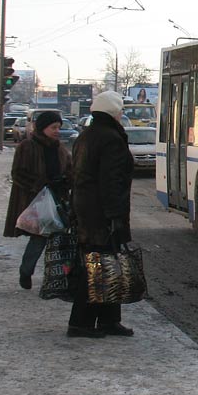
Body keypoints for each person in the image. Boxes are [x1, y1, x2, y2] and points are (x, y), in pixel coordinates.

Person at [67, 91, 135, 339]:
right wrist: (115, 217)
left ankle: (108, 320)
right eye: (120, 110)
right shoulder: (111, 139)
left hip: (86, 211)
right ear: (113, 113)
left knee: (105, 266)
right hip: (102, 215)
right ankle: (81, 323)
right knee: (98, 267)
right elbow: (111, 182)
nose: (122, 114)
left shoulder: (86, 136)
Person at [4, 111, 72, 290]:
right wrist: (41, 184)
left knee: (60, 241)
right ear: (43, 128)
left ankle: (61, 277)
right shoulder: (27, 146)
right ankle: (26, 272)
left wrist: (66, 181)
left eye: (59, 127)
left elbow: (70, 170)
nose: (57, 131)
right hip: (36, 202)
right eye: (54, 127)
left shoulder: (60, 148)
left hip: (58, 201)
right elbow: (18, 173)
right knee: (39, 238)